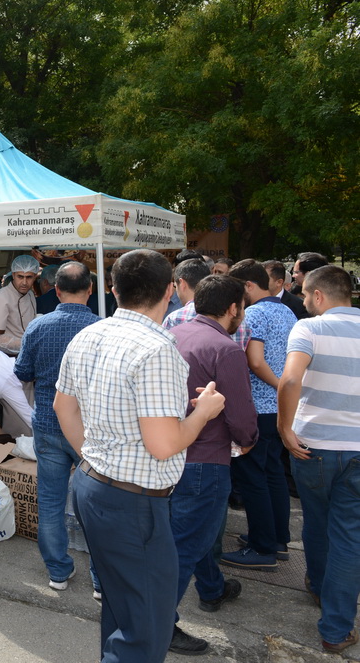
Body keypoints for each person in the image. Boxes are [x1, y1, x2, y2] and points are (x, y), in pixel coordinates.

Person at [54, 249, 226, 663]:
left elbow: (63, 407)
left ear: (113, 290)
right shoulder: (156, 349)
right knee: (145, 629)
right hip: (132, 501)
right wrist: (203, 412)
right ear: (170, 291)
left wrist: (96, 457)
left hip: (93, 484)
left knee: (121, 608)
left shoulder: (89, 334)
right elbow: (164, 444)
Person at [167, 275, 258, 655]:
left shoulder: (172, 334)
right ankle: (161, 624)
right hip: (205, 459)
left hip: (167, 452)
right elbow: (242, 417)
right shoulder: (225, 349)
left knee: (194, 534)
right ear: (233, 308)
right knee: (188, 542)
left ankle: (212, 588)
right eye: (242, 308)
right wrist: (248, 439)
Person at [277, 265, 360, 655]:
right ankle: (336, 628)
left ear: (319, 295)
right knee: (349, 534)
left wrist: (284, 427)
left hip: (313, 446)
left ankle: (318, 585)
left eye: (306, 294)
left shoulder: (309, 328)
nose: (304, 300)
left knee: (316, 519)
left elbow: (291, 379)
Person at [14, 261, 98, 592]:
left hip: (48, 423)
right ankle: (101, 580)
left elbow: (22, 372)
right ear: (90, 289)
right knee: (95, 504)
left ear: (56, 290)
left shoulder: (38, 326)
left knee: (49, 500)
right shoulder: (101, 328)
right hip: (89, 429)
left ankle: (57, 571)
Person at [222, 259, 297, 571]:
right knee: (273, 473)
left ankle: (262, 546)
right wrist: (285, 391)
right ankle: (277, 539)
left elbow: (255, 361)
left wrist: (278, 386)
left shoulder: (253, 314)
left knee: (252, 477)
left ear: (249, 286)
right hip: (280, 409)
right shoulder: (287, 311)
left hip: (259, 405)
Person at [0, 254, 40, 354]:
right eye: (20, 277)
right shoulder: (0, 298)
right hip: (6, 357)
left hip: (28, 353)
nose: (24, 282)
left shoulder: (30, 294)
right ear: (13, 275)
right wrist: (24, 344)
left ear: (35, 277)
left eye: (29, 277)